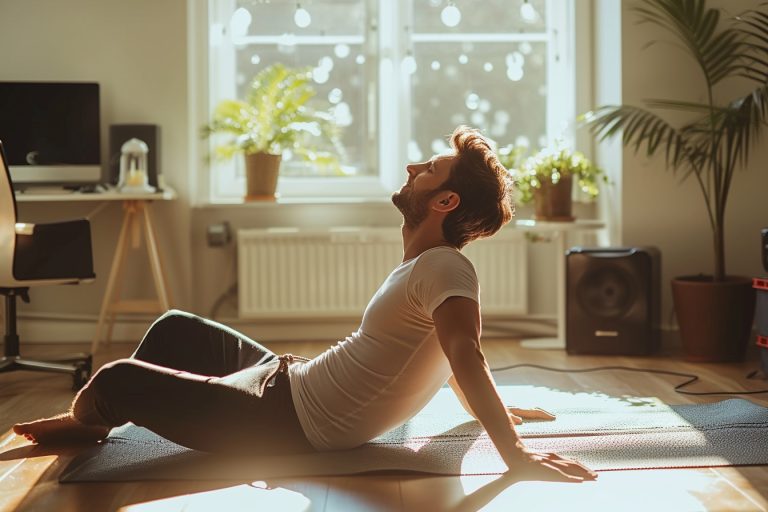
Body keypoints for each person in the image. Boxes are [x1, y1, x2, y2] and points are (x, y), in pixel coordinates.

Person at [14, 126, 597, 482]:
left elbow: (464, 352)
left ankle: (87, 423)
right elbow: (442, 357)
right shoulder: (427, 268)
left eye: (429, 169)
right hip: (284, 380)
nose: (412, 168)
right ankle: (125, 417)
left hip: (283, 422)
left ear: (445, 199)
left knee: (115, 379)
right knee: (173, 327)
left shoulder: (445, 265)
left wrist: (512, 450)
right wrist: (488, 410)